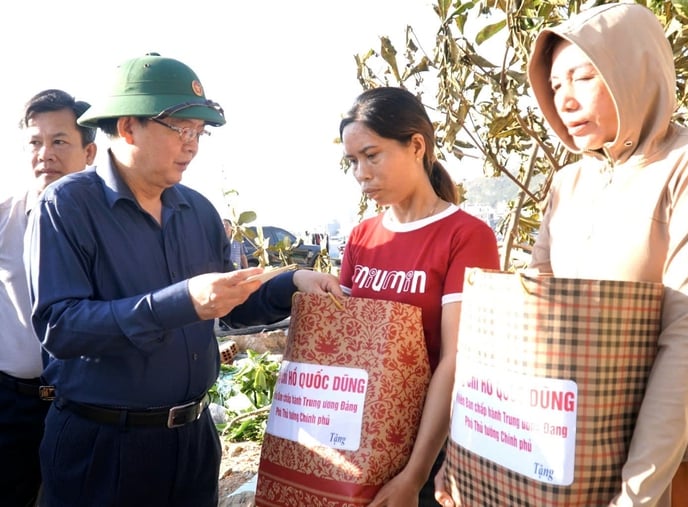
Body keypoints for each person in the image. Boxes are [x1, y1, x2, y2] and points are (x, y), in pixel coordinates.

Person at [434, 3, 688, 506]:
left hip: (675, 456)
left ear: (635, 72)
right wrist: (466, 455)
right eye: (555, 86)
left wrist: (637, 492)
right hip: (573, 452)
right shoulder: (569, 181)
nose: (565, 100)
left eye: (584, 77)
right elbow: (525, 324)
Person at [25, 53, 342, 507]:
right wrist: (181, 302)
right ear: (129, 127)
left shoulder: (197, 210)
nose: (192, 145)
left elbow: (227, 304)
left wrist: (291, 284)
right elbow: (61, 326)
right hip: (105, 445)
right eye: (181, 129)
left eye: (199, 132)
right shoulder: (67, 206)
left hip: (192, 444)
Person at [338, 86, 500, 507]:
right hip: (363, 445)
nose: (361, 173)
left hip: (431, 452)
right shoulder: (362, 238)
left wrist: (414, 475)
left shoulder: (466, 236)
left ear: (415, 145)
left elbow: (457, 358)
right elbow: (349, 351)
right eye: (353, 162)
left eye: (372, 155)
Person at [0, 89, 96, 507]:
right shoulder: (3, 218)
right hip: (11, 406)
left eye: (60, 141)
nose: (46, 154)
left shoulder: (111, 225)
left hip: (85, 404)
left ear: (89, 152)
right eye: (36, 143)